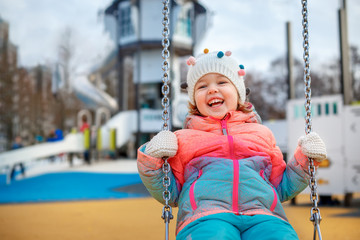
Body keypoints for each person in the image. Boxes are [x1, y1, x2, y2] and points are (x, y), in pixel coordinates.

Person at [137, 49, 327, 240]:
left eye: (221, 82)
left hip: (265, 216)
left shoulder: (262, 134)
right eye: (202, 87)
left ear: (238, 93)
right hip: (206, 216)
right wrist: (152, 157)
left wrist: (305, 159)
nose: (212, 89)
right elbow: (169, 192)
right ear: (195, 100)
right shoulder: (183, 138)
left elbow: (281, 186)